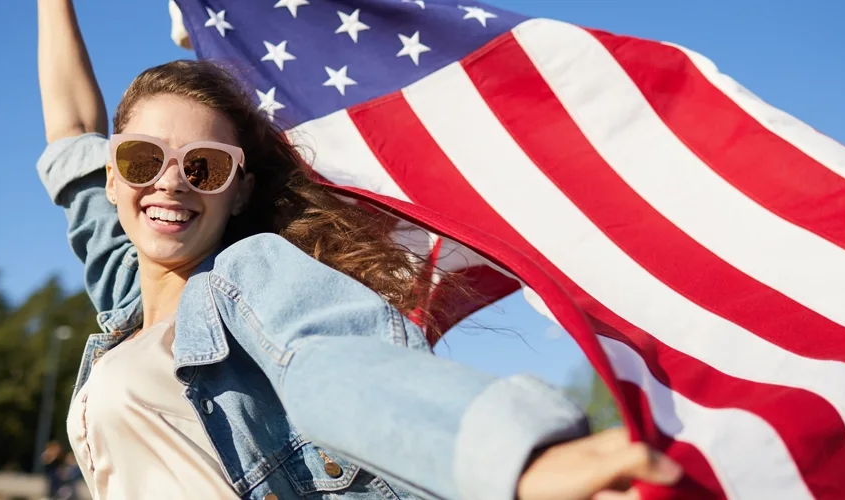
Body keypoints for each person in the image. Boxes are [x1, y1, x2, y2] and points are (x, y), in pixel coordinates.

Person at [35, 1, 682, 498]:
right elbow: (69, 130)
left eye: (203, 166)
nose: (170, 180)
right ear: (113, 176)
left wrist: (516, 457)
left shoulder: (246, 275)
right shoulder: (126, 297)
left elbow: (338, 361)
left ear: (239, 192)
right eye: (144, 158)